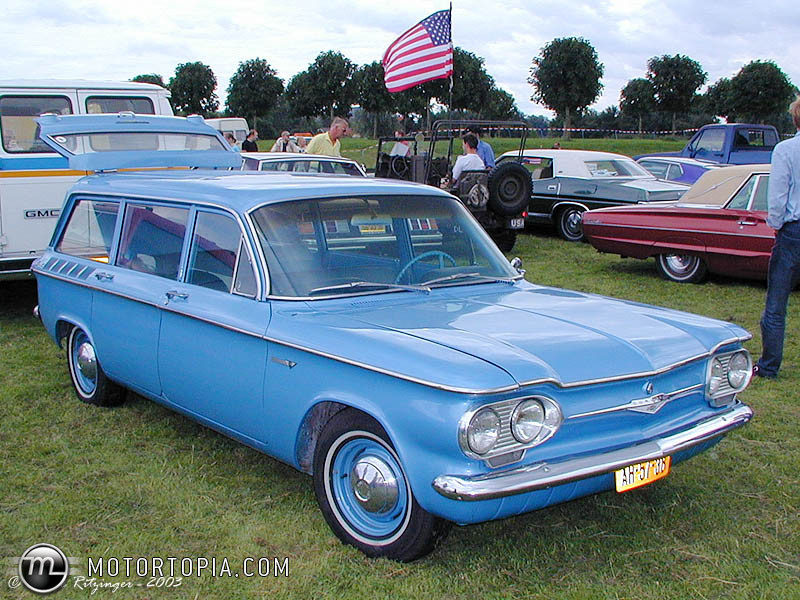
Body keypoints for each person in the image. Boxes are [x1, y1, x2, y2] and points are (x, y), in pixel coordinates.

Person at [754, 97, 800, 379]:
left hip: (794, 231)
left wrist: (776, 223)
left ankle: (769, 365)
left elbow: (778, 196)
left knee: (776, 304)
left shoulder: (786, 150)